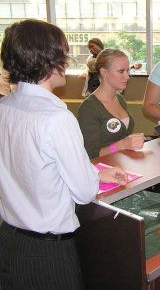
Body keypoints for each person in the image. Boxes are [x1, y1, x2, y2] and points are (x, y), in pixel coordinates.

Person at [0, 19, 128, 290]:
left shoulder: (5, 106)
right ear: (46, 59)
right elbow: (83, 193)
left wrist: (95, 171)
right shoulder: (57, 118)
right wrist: (90, 177)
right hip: (47, 252)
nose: (67, 61)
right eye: (62, 53)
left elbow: (33, 166)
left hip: (9, 239)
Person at [78, 48, 144, 159]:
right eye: (121, 71)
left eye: (128, 71)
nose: (127, 77)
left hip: (124, 164)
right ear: (104, 72)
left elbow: (123, 136)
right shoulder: (88, 108)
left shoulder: (120, 99)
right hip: (103, 170)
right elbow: (89, 154)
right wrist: (121, 145)